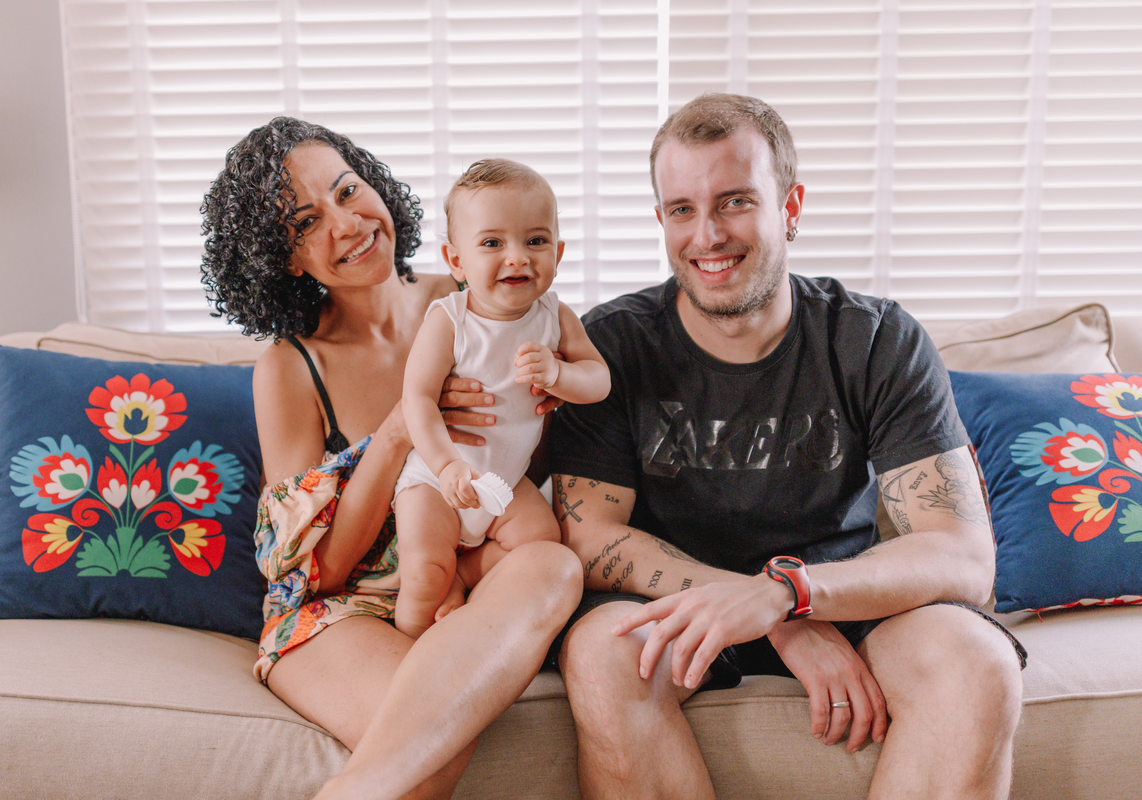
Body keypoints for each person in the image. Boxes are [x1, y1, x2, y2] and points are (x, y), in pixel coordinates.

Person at [548, 93, 1027, 799]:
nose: (706, 235)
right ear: (662, 221)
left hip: (845, 600)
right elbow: (588, 538)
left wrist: (790, 597)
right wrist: (765, 612)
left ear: (791, 207)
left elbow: (961, 554)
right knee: (603, 652)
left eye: (735, 201)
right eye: (681, 209)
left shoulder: (874, 339)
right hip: (677, 611)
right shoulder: (613, 346)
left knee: (977, 659)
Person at [200, 117, 583, 800]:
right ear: (283, 258)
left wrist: (552, 388)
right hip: (337, 611)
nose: (348, 225)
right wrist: (401, 430)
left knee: (552, 564)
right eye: (307, 223)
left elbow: (526, 456)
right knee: (429, 756)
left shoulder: (476, 299)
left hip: (459, 569)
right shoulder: (292, 368)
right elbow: (320, 570)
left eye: (349, 192)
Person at [393, 158, 611, 638]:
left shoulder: (555, 315)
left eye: (536, 240)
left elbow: (598, 380)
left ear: (559, 250)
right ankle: (408, 650)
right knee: (424, 572)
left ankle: (465, 575)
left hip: (503, 480)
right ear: (456, 261)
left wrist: (559, 373)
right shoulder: (449, 319)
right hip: (436, 479)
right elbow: (419, 401)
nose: (517, 257)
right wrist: (447, 465)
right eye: (492, 243)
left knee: (542, 542)